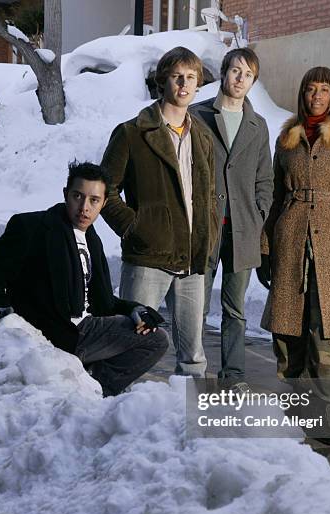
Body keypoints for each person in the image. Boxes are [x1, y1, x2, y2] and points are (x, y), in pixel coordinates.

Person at [0, 162, 168, 397]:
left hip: (85, 331)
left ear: (104, 203)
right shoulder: (32, 226)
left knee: (153, 337)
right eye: (78, 196)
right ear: (66, 194)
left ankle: (88, 386)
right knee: (157, 341)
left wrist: (135, 309)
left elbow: (102, 300)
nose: (84, 207)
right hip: (55, 334)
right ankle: (94, 392)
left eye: (94, 200)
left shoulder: (92, 240)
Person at [258, 67, 330, 444]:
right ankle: (293, 409)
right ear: (302, 93)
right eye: (311, 89)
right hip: (290, 241)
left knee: (326, 335)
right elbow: (276, 197)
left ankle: (320, 412)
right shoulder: (287, 138)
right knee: (288, 334)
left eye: (324, 90)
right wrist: (265, 249)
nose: (317, 96)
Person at [101, 47, 218, 378]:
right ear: (162, 81)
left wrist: (207, 238)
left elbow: (208, 196)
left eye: (191, 78)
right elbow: (105, 191)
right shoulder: (131, 132)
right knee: (131, 343)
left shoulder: (203, 137)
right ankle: (125, 421)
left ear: (198, 84)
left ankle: (186, 425)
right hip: (147, 259)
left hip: (191, 261)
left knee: (193, 356)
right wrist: (136, 229)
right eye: (176, 76)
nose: (184, 84)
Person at [191, 48, 273, 388]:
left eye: (248, 75)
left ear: (253, 82)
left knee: (234, 308)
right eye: (236, 71)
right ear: (224, 72)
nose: (240, 79)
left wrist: (258, 213)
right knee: (195, 305)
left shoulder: (258, 125)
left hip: (242, 229)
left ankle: (234, 373)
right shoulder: (196, 116)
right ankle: (192, 368)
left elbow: (265, 178)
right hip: (205, 227)